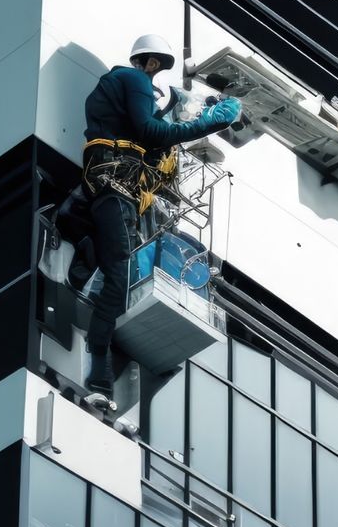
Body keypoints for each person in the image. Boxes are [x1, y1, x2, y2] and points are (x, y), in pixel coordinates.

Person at [78, 34, 241, 407]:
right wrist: (209, 122)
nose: (154, 88)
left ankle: (102, 368)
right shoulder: (132, 80)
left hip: (120, 189)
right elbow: (152, 132)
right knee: (119, 278)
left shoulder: (120, 101)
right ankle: (99, 375)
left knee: (122, 273)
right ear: (151, 63)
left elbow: (153, 139)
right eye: (158, 71)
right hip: (114, 186)